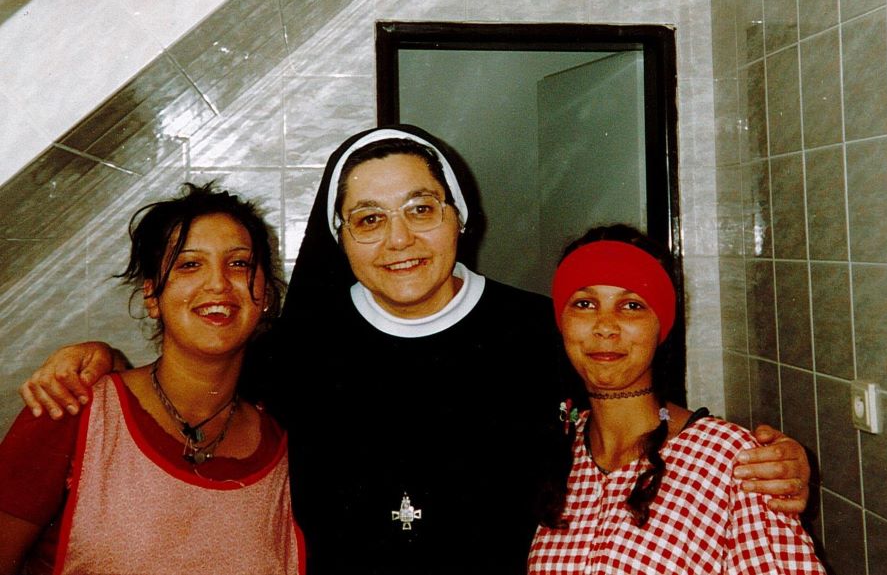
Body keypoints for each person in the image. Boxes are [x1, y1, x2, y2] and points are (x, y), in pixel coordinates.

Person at [18, 125, 812, 574]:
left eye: (420, 208)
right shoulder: (294, 348)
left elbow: (626, 405)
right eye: (368, 218)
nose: (398, 239)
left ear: (458, 215)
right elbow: (189, 381)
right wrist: (98, 356)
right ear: (341, 238)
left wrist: (757, 458)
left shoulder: (536, 328)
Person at [0, 183, 303, 575]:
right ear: (151, 297)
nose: (218, 283)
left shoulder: (285, 448)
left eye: (240, 264)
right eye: (189, 264)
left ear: (264, 294)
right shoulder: (72, 407)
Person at [529, 225, 824, 574]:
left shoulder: (729, 460)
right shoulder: (554, 453)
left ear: (661, 326)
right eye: (585, 303)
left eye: (631, 305)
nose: (605, 326)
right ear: (562, 322)